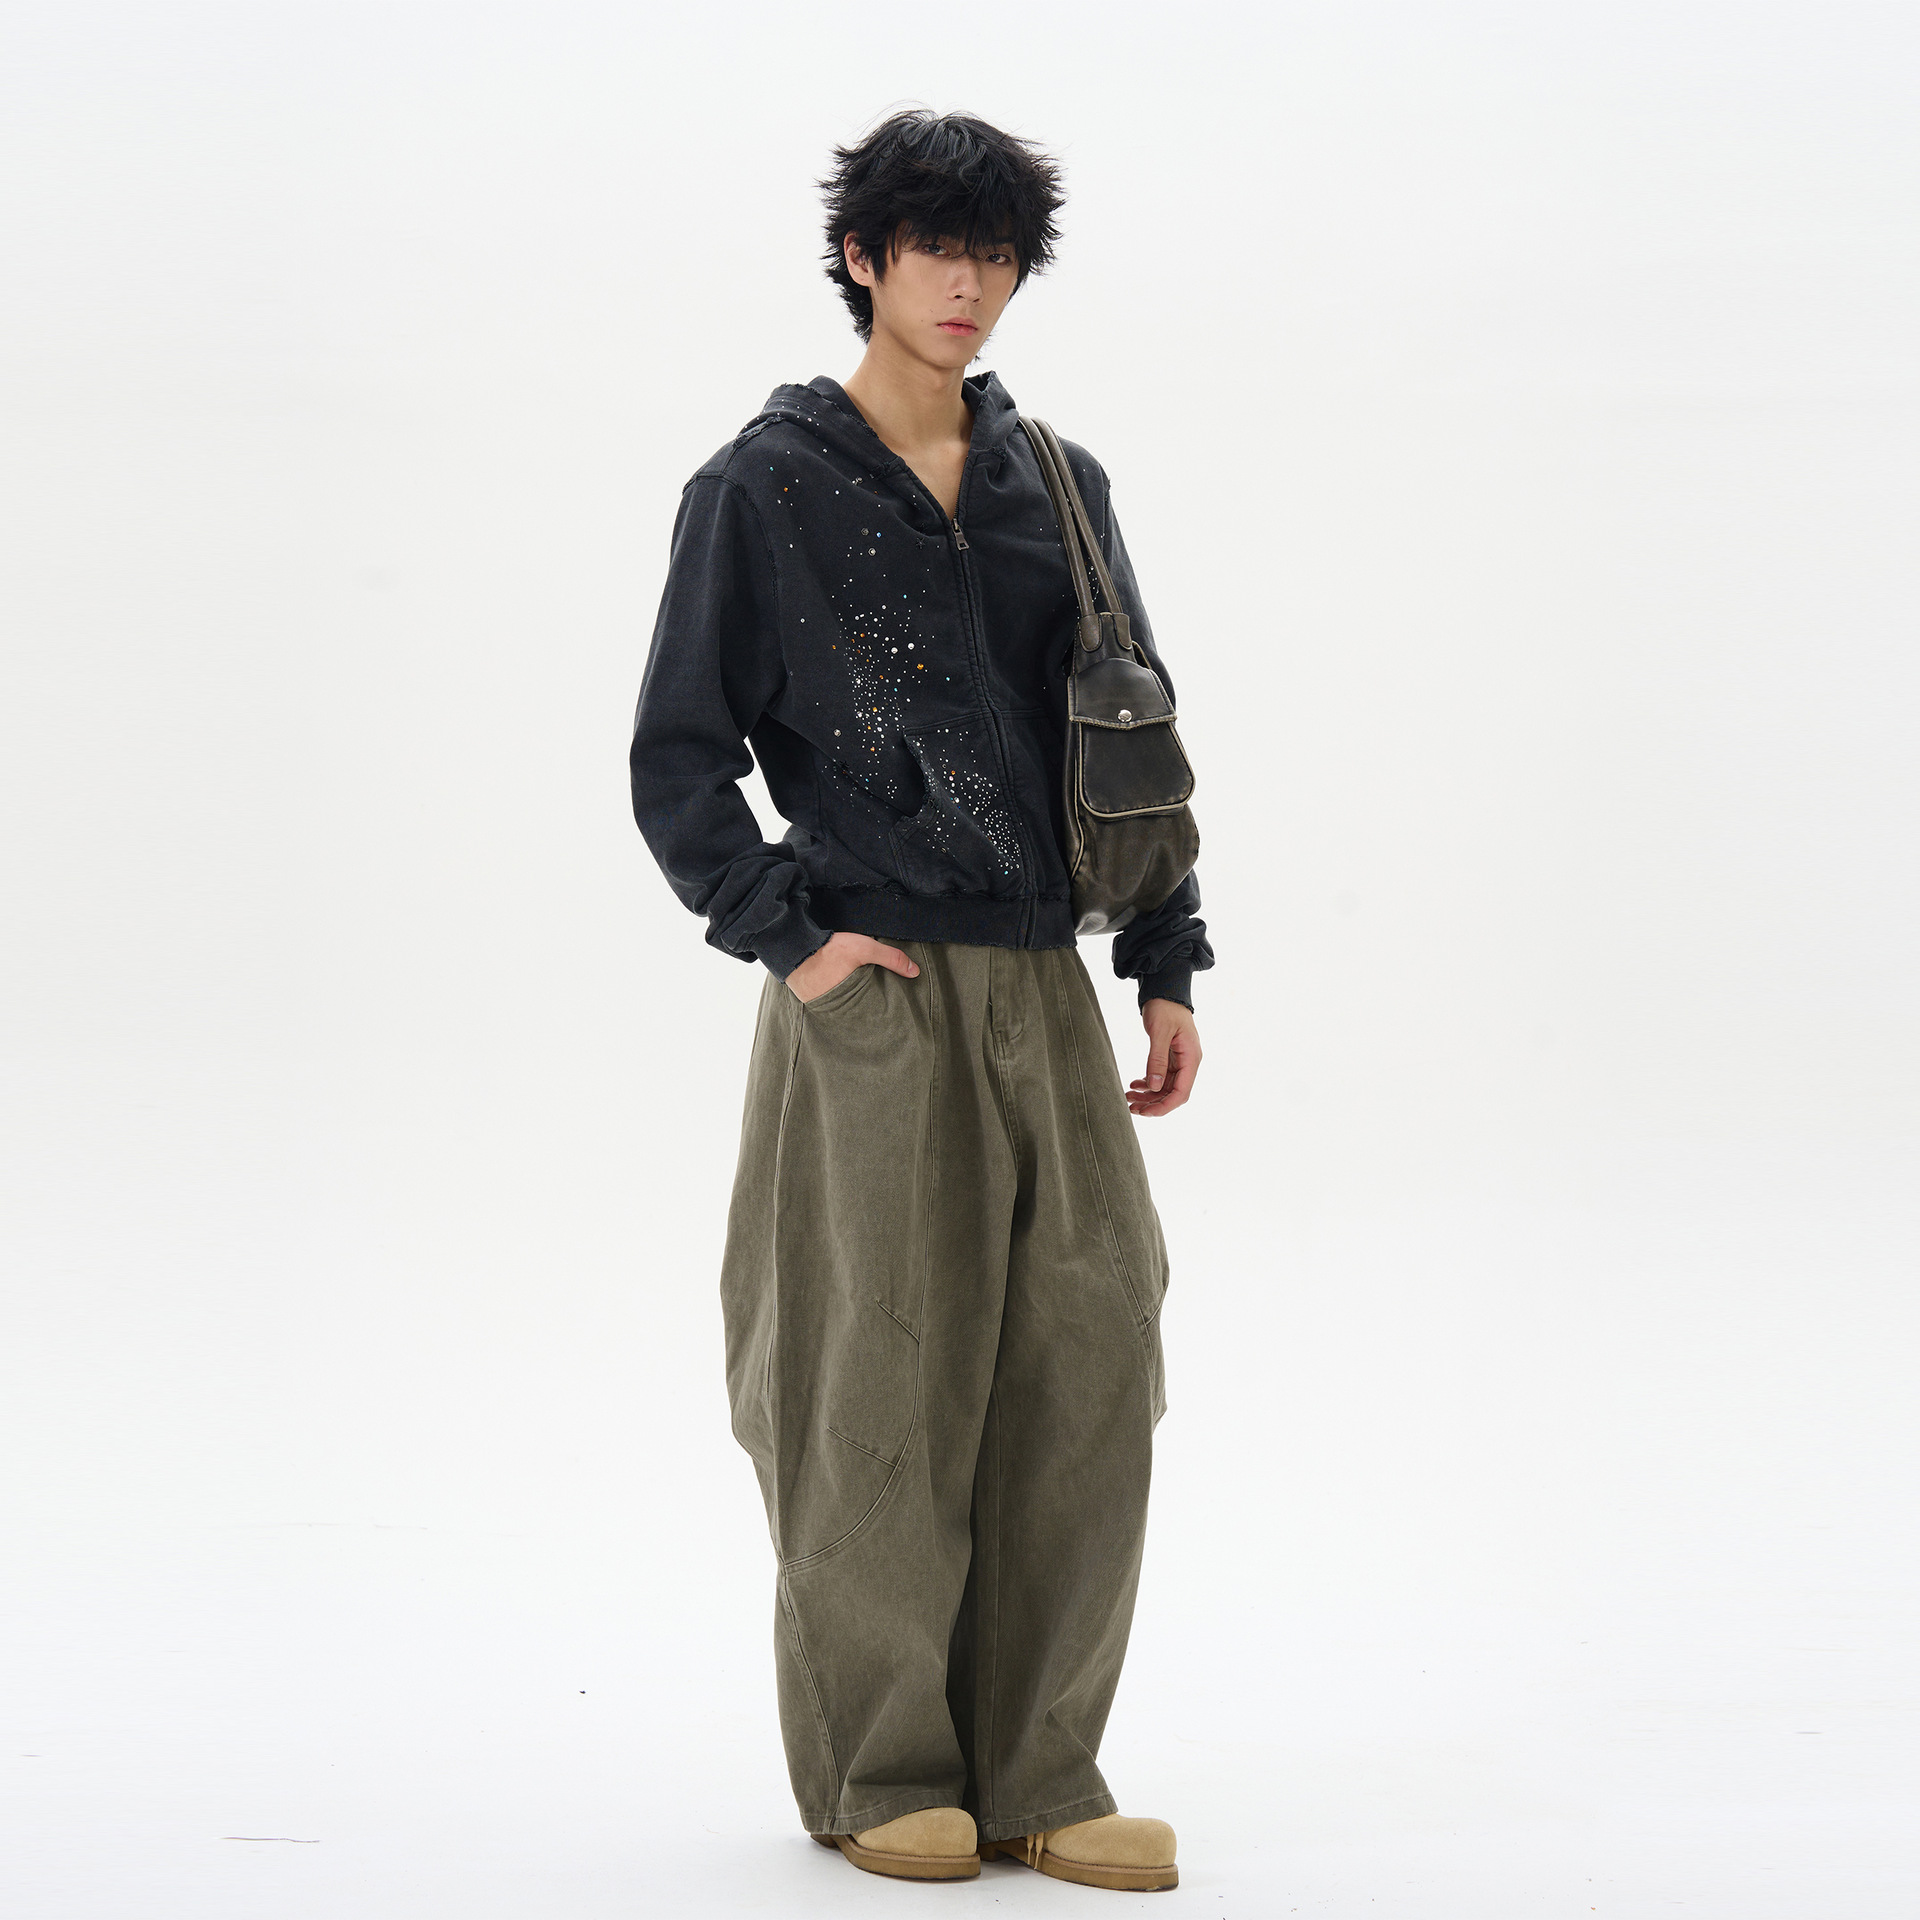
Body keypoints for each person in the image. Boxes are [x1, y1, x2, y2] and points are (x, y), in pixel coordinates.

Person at [628, 109, 1212, 1893]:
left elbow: (1128, 726)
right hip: (868, 993)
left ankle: (1042, 1768)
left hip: (1047, 982)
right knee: (868, 1373)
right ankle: (881, 1770)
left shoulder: (1061, 484)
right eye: (936, 248)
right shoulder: (763, 487)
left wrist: (1164, 955)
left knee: (1090, 1365)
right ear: (864, 258)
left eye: (998, 254)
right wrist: (788, 936)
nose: (970, 284)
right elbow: (676, 758)